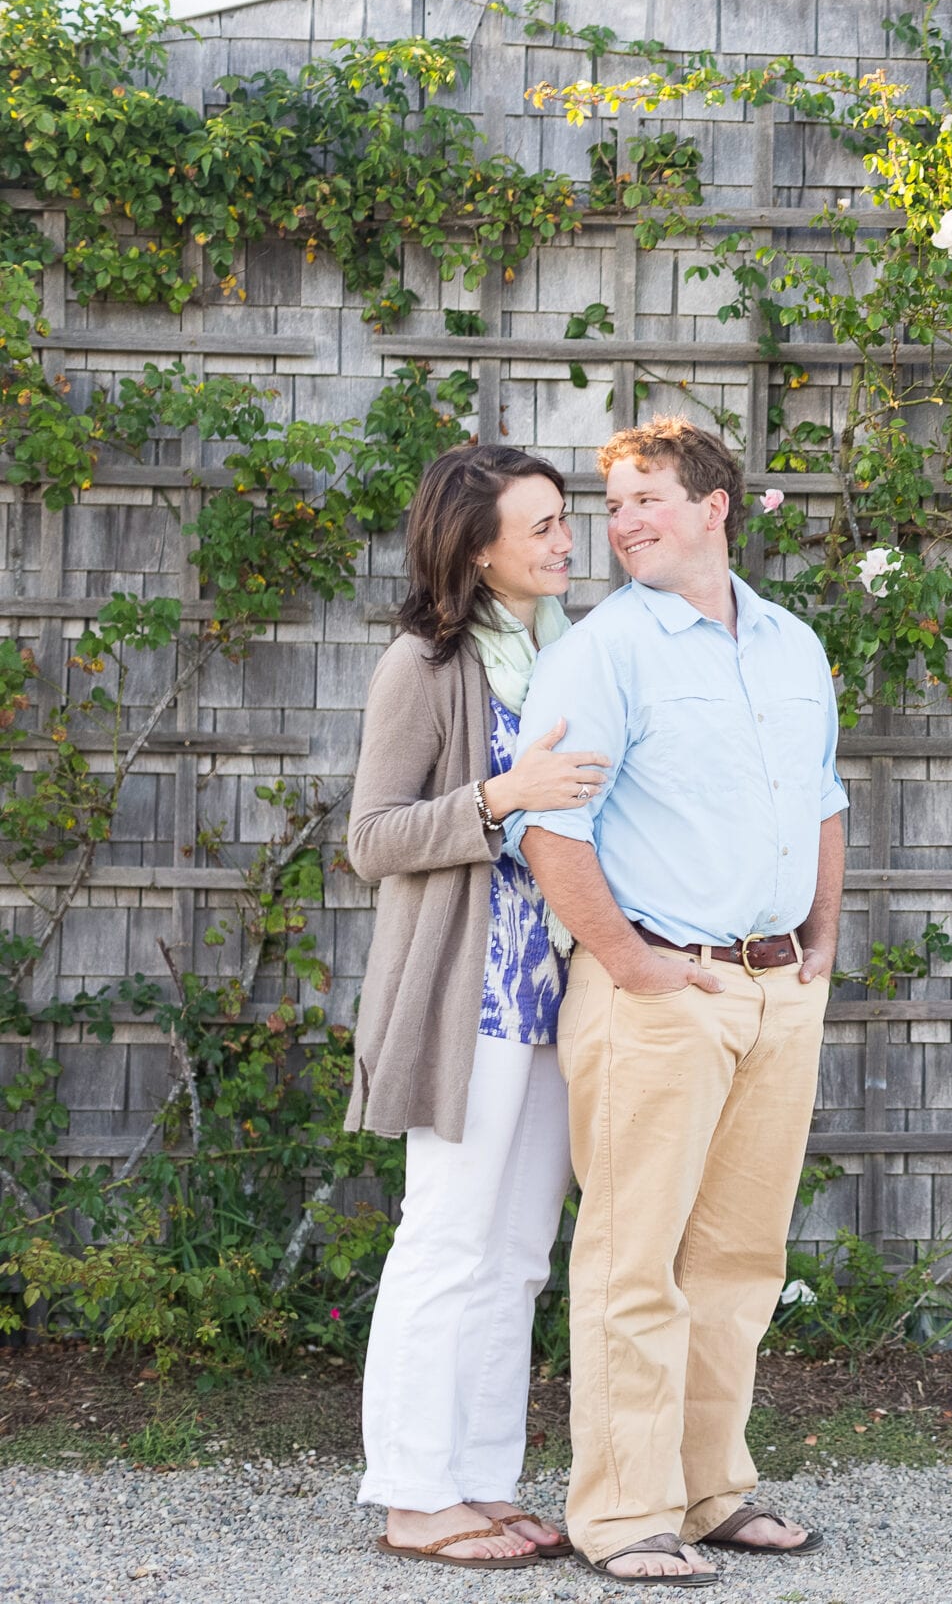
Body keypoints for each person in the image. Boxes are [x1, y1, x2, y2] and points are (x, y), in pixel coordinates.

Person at [511, 416, 844, 1585]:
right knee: (631, 1259)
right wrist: (633, 961)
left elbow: (823, 797)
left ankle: (712, 1492)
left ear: (715, 507)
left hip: (773, 991)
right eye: (614, 504)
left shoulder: (793, 646)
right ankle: (623, 1514)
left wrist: (823, 935)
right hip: (658, 988)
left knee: (740, 1260)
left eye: (647, 496)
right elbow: (553, 823)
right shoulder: (604, 650)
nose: (625, 522)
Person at [347, 443, 613, 1569]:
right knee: (446, 1241)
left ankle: (481, 1479)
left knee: (517, 1256)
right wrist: (500, 797)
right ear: (477, 545)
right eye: (544, 525)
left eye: (564, 519)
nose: (567, 541)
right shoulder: (423, 664)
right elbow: (371, 839)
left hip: (556, 992)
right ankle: (413, 1497)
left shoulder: (569, 653)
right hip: (470, 995)